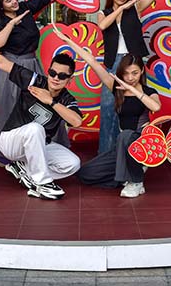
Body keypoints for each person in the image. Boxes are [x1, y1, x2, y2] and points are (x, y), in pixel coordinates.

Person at [0, 29, 83, 200]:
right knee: (35, 129)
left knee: (72, 164)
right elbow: (1, 62)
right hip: (11, 141)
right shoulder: (35, 81)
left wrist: (51, 101)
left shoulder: (66, 99)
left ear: (69, 81)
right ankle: (42, 184)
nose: (56, 78)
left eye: (62, 76)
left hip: (38, 144)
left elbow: (76, 121)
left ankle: (25, 171)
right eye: (53, 73)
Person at [0, 0, 93, 163]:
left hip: (32, 64)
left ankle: (40, 151)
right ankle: (12, 157)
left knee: (42, 109)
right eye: (9, 0)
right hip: (10, 70)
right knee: (10, 110)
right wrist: (10, 24)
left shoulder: (24, 9)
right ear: (0, 6)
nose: (14, 1)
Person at [52, 26, 161, 198]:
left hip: (141, 142)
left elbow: (156, 107)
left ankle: (136, 181)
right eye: (126, 74)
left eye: (134, 73)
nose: (130, 78)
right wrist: (68, 41)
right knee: (85, 174)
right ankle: (125, 174)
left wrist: (134, 91)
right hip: (121, 146)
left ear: (141, 72)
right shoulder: (115, 87)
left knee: (126, 135)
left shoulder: (149, 92)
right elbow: (92, 62)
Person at [96, 0, 171, 154]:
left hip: (133, 64)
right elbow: (103, 26)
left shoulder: (135, 7)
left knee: (133, 107)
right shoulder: (103, 13)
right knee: (108, 109)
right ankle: (106, 155)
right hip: (114, 64)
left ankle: (133, 154)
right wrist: (121, 10)